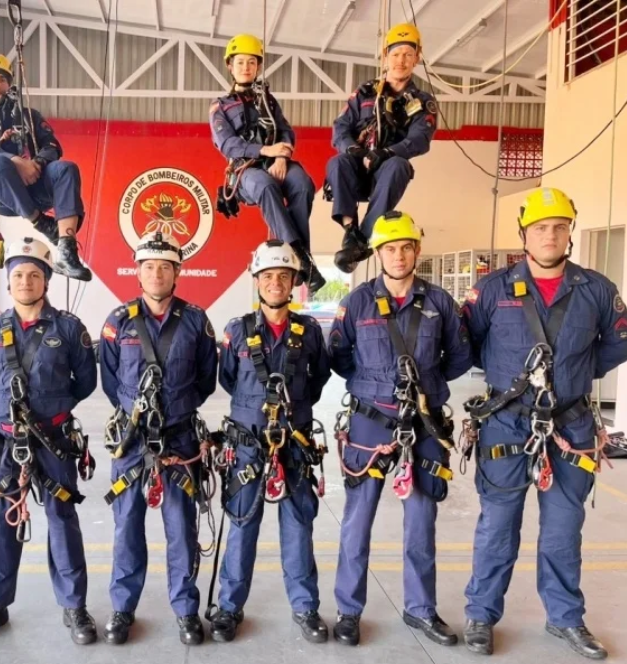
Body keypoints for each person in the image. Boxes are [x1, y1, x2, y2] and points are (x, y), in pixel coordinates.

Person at [461, 188, 627, 660]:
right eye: (540, 228)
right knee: (497, 525)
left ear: (570, 232)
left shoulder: (597, 289)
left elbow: (618, 342)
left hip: (570, 425)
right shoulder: (492, 290)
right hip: (506, 423)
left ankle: (566, 618)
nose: (549, 235)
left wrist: (577, 371)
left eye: (558, 227)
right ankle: (481, 615)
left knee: (563, 528)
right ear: (524, 234)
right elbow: (470, 344)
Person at [328, 211, 471, 647]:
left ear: (417, 250)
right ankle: (349, 610)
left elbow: (459, 356)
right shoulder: (357, 303)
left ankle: (420, 609)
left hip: (424, 425)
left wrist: (427, 387)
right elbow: (340, 356)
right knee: (358, 521)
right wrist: (372, 389)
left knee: (421, 521)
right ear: (378, 253)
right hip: (370, 423)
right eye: (390, 248)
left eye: (406, 247)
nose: (399, 255)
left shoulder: (440, 303)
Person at [0, 237, 98, 646]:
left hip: (53, 440)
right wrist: (0, 409)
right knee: (2, 518)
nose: (25, 281)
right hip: (4, 441)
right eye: (18, 274)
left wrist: (55, 407)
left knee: (62, 519)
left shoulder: (68, 329)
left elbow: (86, 381)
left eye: (34, 274)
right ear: (8, 280)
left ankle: (74, 606)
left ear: (46, 280)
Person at [209, 240, 331, 644]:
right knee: (242, 524)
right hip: (247, 445)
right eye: (267, 276)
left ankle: (305, 607)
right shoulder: (237, 330)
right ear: (256, 280)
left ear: (294, 282)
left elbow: (318, 380)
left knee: (298, 525)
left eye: (283, 275)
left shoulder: (308, 331)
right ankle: (229, 607)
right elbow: (229, 379)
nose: (275, 282)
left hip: (294, 444)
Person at [99, 231, 218, 645]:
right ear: (138, 272)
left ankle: (185, 610)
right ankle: (122, 608)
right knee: (127, 527)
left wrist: (177, 408)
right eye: (148, 267)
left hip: (180, 440)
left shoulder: (196, 320)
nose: (156, 274)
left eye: (164, 267)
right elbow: (111, 380)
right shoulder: (118, 321)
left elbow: (206, 379)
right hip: (131, 442)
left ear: (177, 273)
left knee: (182, 529)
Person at [209, 34, 326, 296]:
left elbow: (285, 131)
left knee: (303, 184)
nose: (246, 67)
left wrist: (281, 156)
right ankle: (302, 258)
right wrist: (265, 150)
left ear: (258, 67)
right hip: (245, 171)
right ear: (230, 66)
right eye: (240, 62)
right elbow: (227, 144)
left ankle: (299, 257)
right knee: (265, 185)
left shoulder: (268, 100)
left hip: (277, 161)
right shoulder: (220, 106)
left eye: (252, 62)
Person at [0, 52, 91, 281]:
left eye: (2, 79)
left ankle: (67, 251)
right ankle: (41, 223)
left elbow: (52, 145)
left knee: (66, 168)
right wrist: (16, 161)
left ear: (9, 84)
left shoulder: (30, 116)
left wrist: (37, 163)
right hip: (4, 193)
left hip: (35, 184)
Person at [325, 24, 436, 274]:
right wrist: (353, 150)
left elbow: (420, 138)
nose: (401, 61)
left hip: (386, 173)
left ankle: (362, 240)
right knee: (337, 162)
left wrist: (387, 153)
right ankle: (350, 231)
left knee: (399, 165)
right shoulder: (364, 93)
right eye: (395, 54)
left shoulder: (421, 101)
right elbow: (340, 127)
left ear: (417, 58)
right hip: (357, 169)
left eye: (408, 54)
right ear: (385, 56)